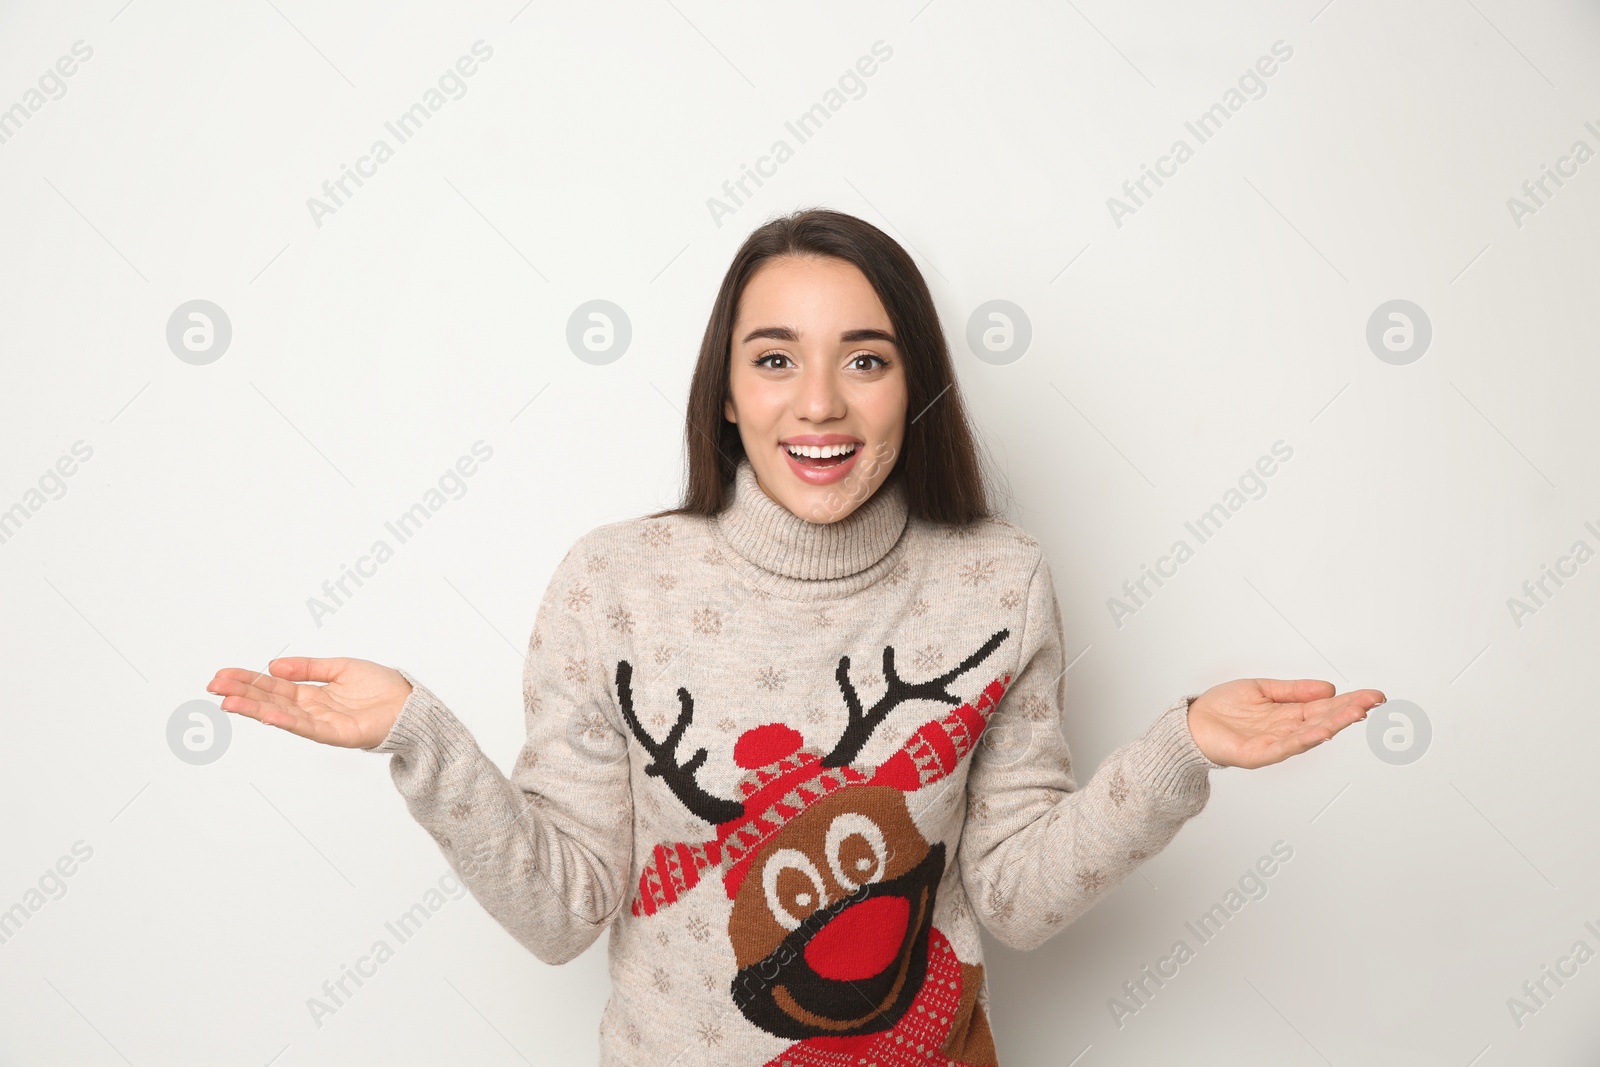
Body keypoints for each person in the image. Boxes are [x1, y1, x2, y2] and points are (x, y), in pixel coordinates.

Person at [207, 208, 1384, 1065]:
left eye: (862, 359)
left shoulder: (999, 583)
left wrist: (1180, 750)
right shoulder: (614, 583)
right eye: (774, 359)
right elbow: (565, 908)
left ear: (910, 384)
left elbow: (1014, 896)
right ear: (725, 390)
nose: (816, 402)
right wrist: (419, 736)